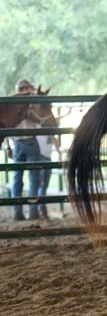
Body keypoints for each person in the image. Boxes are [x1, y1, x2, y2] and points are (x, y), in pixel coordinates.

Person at [8, 79, 42, 221]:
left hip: (17, 143)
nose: (30, 92)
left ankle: (17, 211)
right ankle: (32, 211)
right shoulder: (30, 103)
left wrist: (7, 145)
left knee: (17, 178)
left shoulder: (11, 104)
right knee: (33, 178)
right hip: (29, 142)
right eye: (27, 89)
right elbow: (40, 119)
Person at [36, 132, 59, 219]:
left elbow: (54, 139)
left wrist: (58, 153)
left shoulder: (48, 129)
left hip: (47, 157)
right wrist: (59, 152)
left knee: (44, 185)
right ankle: (41, 208)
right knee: (42, 185)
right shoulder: (38, 126)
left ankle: (41, 208)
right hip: (41, 157)